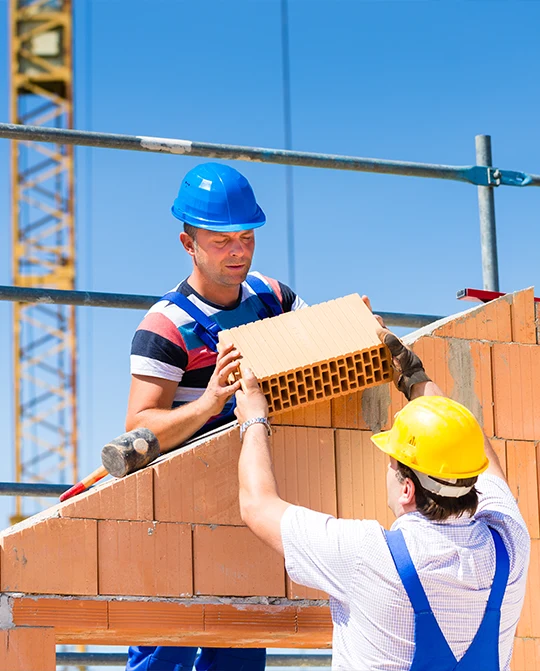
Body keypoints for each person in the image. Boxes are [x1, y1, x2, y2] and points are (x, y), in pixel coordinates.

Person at [234, 326, 530, 671]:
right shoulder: (509, 544)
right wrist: (416, 379)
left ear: (407, 489)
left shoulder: (367, 556)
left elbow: (257, 505)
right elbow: (472, 449)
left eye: (392, 464)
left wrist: (253, 417)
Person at [125, 162, 306, 671]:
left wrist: (356, 326)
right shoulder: (166, 326)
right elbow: (138, 427)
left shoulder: (274, 299)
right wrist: (207, 403)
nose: (239, 251)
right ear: (189, 243)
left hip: (249, 504)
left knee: (240, 647)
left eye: (246, 237)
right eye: (222, 240)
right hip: (180, 508)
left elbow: (320, 346)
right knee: (166, 650)